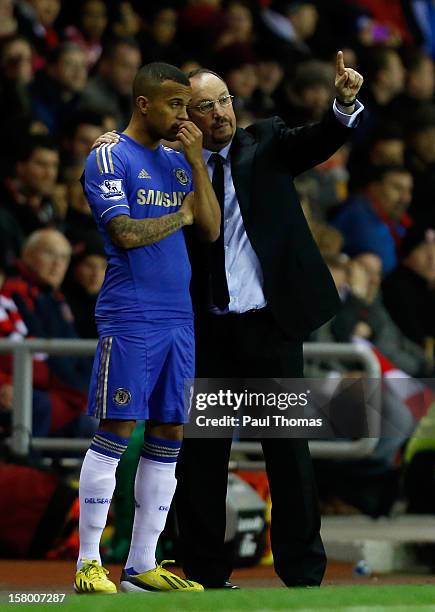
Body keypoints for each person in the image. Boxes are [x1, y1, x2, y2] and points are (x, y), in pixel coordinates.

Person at [95, 50, 364, 589]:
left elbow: (318, 140)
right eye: (203, 106)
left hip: (271, 329)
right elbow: (130, 152)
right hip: (207, 332)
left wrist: (342, 103)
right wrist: (110, 140)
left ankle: (304, 576)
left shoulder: (267, 142)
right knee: (202, 461)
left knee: (289, 458)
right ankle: (206, 575)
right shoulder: (170, 164)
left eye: (223, 101)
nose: (219, 113)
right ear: (182, 117)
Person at [75, 62, 220, 595]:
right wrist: (178, 216)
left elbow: (209, 229)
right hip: (131, 313)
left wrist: (198, 166)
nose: (186, 116)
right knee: (117, 428)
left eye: (188, 105)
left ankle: (140, 566)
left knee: (169, 433)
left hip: (178, 317)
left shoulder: (177, 161)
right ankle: (88, 562)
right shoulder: (109, 154)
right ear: (143, 103)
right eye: (176, 105)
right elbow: (126, 232)